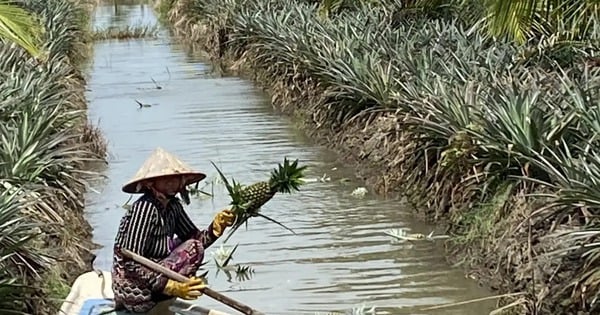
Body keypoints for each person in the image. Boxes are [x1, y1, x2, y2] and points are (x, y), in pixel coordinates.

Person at [111, 147, 236, 313]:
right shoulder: (145, 208)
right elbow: (131, 261)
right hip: (134, 289)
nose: (171, 183)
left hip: (156, 281)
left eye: (175, 178)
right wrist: (170, 286)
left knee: (194, 247)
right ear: (151, 183)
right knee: (141, 270)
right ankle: (160, 296)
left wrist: (216, 228)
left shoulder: (173, 206)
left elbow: (196, 241)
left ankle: (163, 296)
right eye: (165, 179)